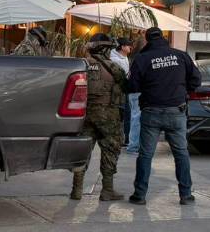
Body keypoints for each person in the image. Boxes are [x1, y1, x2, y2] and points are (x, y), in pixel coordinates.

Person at [127, 27, 202, 205]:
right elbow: (196, 80)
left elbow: (131, 86)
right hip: (177, 111)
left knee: (145, 155)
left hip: (151, 112)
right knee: (181, 154)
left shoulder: (142, 58)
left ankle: (140, 195)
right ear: (164, 38)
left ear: (146, 39)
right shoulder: (181, 55)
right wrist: (182, 91)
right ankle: (185, 195)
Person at [72, 34, 128, 201]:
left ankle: (76, 190)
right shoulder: (114, 67)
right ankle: (107, 190)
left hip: (84, 114)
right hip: (108, 115)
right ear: (105, 49)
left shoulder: (81, 65)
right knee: (110, 150)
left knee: (82, 151)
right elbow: (126, 86)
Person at [111, 37, 134, 141]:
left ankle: (126, 137)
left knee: (126, 115)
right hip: (118, 91)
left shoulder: (124, 57)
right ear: (122, 47)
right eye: (129, 45)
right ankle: (123, 138)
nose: (131, 47)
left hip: (125, 90)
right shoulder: (114, 59)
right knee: (122, 115)